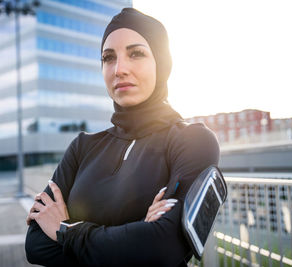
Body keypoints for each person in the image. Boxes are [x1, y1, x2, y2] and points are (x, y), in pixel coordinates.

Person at [25, 7, 219, 267]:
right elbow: (36, 245)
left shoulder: (192, 141)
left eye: (136, 53)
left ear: (161, 63)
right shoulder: (82, 147)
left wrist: (65, 230)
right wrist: (138, 233)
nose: (119, 69)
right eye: (108, 58)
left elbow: (163, 247)